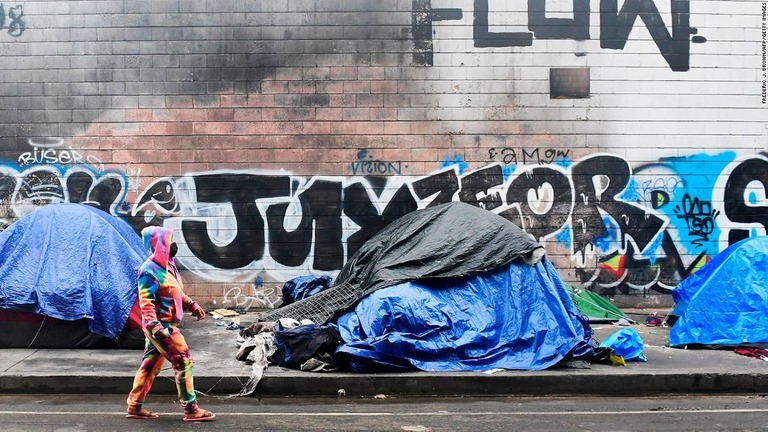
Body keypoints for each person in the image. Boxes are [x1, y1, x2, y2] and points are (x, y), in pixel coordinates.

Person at [126, 226, 216, 422]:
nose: (173, 245)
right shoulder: (149, 271)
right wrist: (155, 327)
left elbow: (175, 291)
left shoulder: (168, 266)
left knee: (149, 366)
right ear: (159, 244)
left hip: (165, 326)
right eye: (170, 241)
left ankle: (134, 405)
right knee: (183, 360)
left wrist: (191, 305)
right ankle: (191, 409)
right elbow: (146, 302)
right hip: (162, 328)